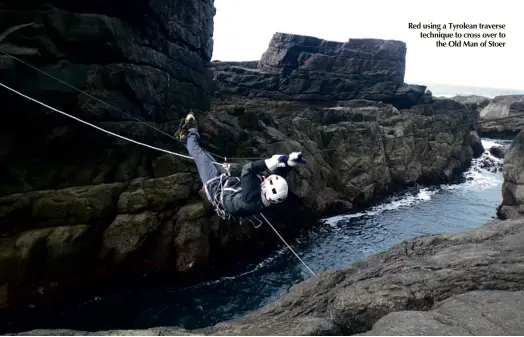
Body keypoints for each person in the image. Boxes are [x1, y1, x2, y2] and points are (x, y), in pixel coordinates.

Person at [174, 113, 306, 219]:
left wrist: (272, 160)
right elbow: (277, 177)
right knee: (204, 155)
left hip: (214, 187)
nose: (266, 179)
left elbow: (248, 169)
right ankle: (187, 139)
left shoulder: (251, 198)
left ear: (267, 188)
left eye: (267, 181)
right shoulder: (267, 196)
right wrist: (289, 162)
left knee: (199, 155)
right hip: (227, 183)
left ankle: (189, 133)